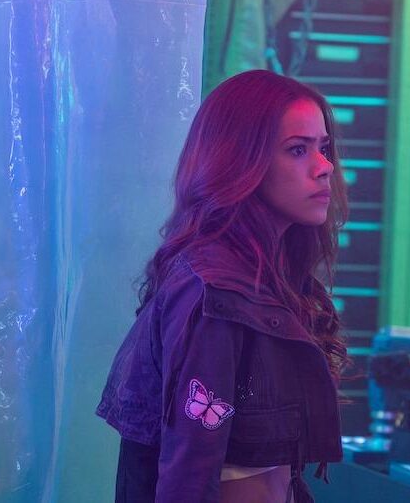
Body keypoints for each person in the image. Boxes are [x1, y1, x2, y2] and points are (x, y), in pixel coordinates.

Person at [97, 70, 349, 502]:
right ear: (241, 162)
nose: (324, 167)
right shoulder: (214, 293)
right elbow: (188, 472)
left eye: (323, 148)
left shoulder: (268, 280)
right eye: (297, 150)